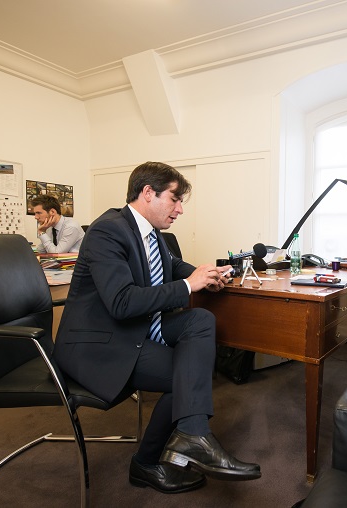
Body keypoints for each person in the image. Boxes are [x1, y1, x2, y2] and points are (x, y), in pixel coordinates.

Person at [53, 161, 261, 495]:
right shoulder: (107, 230)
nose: (180, 210)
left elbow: (172, 265)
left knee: (201, 320)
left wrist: (205, 275)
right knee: (189, 375)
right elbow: (121, 303)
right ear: (148, 193)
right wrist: (188, 286)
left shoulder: (150, 233)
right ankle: (149, 462)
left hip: (135, 330)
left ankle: (192, 433)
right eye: (175, 200)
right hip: (100, 344)